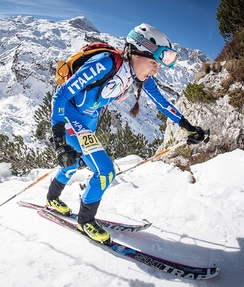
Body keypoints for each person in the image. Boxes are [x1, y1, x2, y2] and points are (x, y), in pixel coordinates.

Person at [46, 23, 206, 242]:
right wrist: (59, 140)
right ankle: (85, 221)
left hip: (88, 119)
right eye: (153, 62)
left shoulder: (137, 76)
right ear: (135, 52)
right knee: (105, 171)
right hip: (70, 115)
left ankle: (51, 198)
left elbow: (162, 102)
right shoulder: (105, 64)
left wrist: (187, 126)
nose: (155, 69)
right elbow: (60, 96)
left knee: (72, 163)